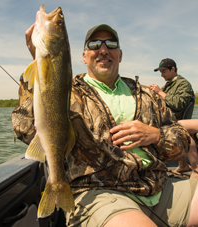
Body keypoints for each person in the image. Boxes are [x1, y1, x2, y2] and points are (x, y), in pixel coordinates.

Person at [11, 24, 198, 227]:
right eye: (94, 44)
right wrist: (41, 67)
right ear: (84, 56)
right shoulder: (67, 91)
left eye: (111, 44)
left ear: (119, 54)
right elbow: (25, 129)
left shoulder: (147, 94)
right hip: (100, 194)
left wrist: (156, 135)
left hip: (158, 188)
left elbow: (180, 138)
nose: (103, 50)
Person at [149, 58, 195, 173]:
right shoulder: (169, 85)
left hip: (173, 120)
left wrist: (159, 92)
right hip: (167, 118)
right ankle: (183, 166)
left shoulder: (183, 84)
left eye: (164, 71)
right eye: (161, 72)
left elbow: (178, 104)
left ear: (173, 69)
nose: (162, 75)